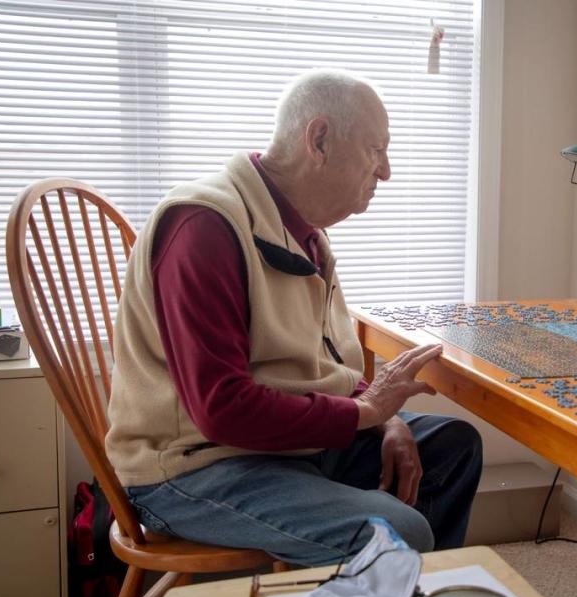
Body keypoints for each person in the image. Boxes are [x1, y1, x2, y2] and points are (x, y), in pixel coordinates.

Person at [106, 69, 483, 565]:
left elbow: (314, 364)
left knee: (453, 446)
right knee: (402, 532)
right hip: (195, 466)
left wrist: (377, 414)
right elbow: (221, 410)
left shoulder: (304, 232)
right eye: (376, 149)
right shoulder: (204, 227)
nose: (386, 170)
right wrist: (365, 413)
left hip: (281, 449)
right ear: (320, 139)